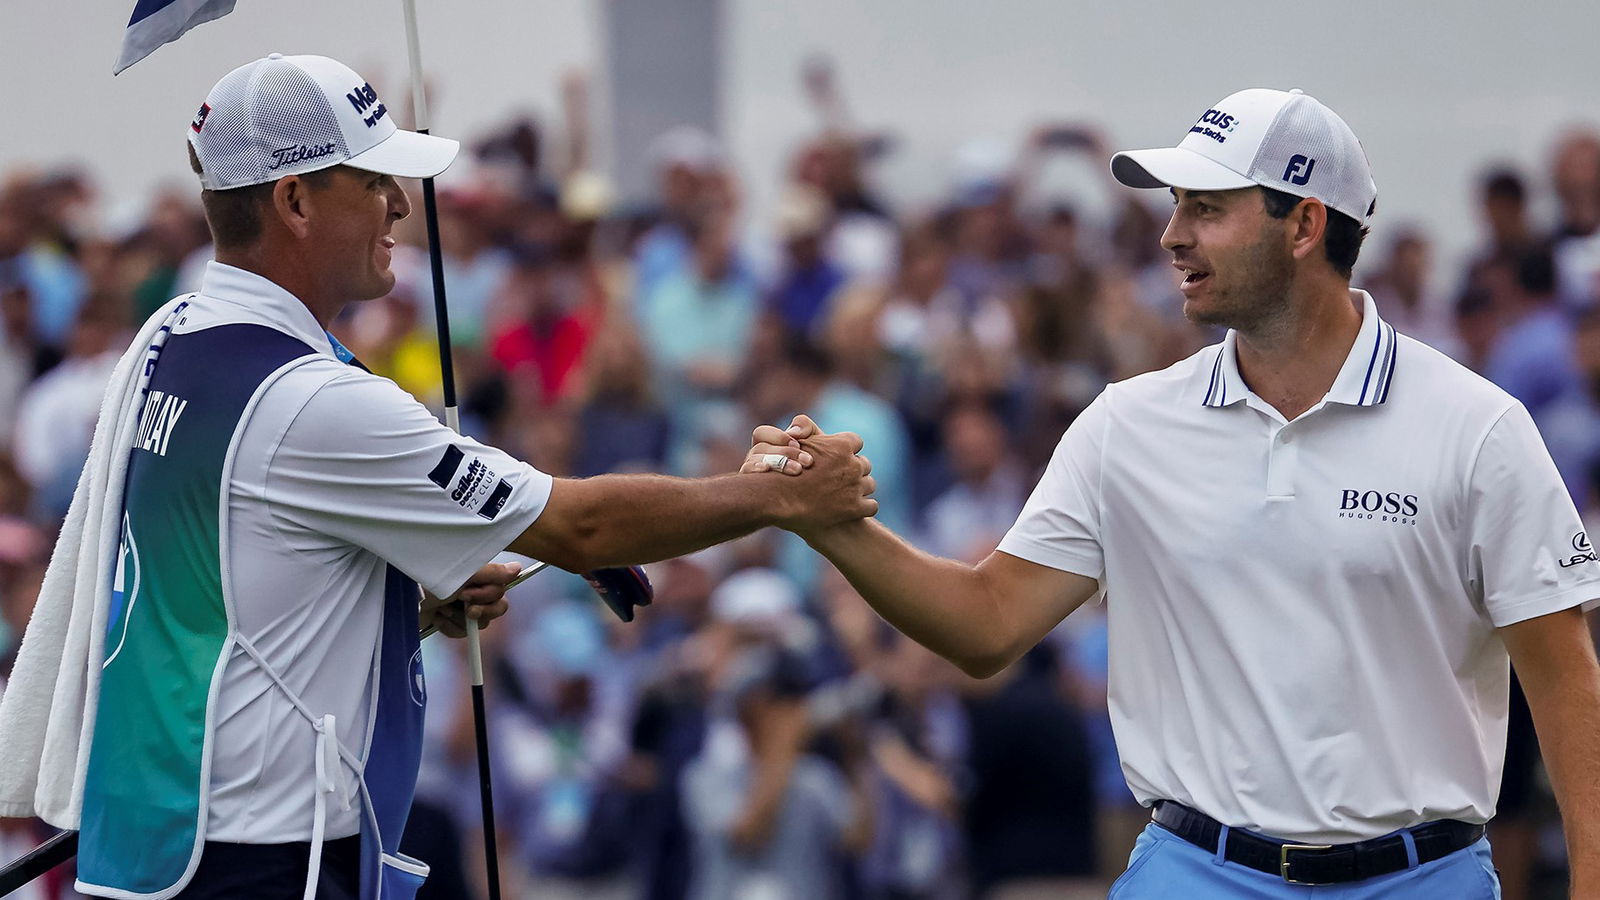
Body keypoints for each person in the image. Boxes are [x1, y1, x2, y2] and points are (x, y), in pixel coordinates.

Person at [0, 54, 876, 900]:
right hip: (257, 866)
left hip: (158, 850)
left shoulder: (169, 337)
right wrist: (782, 495)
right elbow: (584, 528)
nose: (396, 206)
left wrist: (395, 614)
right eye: (373, 180)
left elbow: (222, 601)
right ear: (294, 200)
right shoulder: (311, 399)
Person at [749, 88, 1600, 897]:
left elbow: (1567, 686)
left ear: (1304, 224)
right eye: (1176, 206)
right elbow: (986, 624)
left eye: (1206, 207)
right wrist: (835, 525)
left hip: (1424, 881)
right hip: (1194, 874)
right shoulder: (1129, 424)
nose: (1171, 236)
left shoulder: (1477, 427)